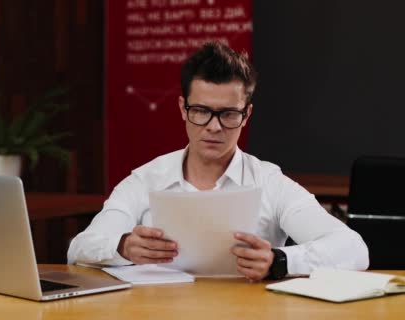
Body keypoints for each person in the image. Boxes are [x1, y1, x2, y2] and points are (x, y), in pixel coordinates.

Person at [67, 42, 369, 280]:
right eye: (201, 111)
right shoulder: (145, 180)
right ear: (183, 109)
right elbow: (79, 248)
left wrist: (280, 260)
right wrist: (122, 246)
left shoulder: (268, 182)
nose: (214, 126)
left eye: (228, 114)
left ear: (246, 115)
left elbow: (354, 249)